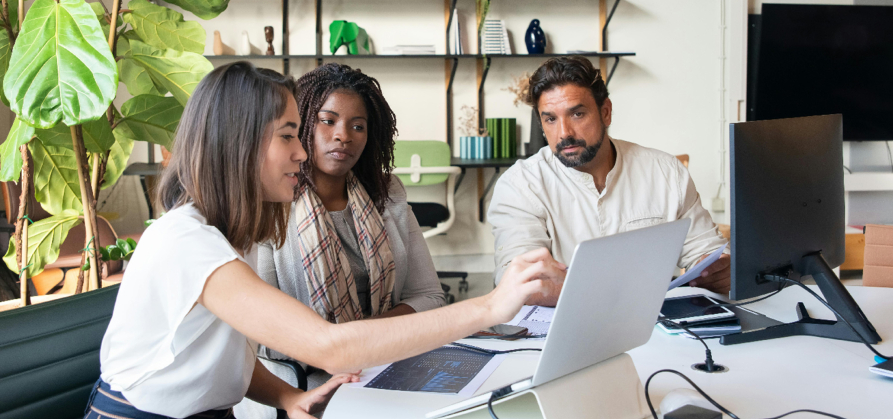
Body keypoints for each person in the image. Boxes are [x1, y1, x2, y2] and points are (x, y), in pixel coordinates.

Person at [88, 62, 553, 419]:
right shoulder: (186, 241)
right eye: (289, 135)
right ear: (239, 143)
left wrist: (287, 397)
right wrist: (491, 307)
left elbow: (220, 354)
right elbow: (329, 347)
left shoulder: (230, 232)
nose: (301, 152)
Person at [236, 64, 447, 417]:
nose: (343, 136)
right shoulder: (270, 203)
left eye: (358, 126)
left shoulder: (387, 193)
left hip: (387, 366)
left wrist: (361, 340)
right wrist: (351, 345)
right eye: (327, 121)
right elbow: (265, 334)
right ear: (301, 125)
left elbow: (429, 297)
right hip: (302, 387)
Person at [488, 56, 729, 307]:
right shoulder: (520, 185)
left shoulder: (666, 172)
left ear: (605, 112)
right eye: (550, 119)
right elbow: (520, 283)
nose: (564, 133)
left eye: (577, 114)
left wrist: (717, 270)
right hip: (559, 326)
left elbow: (708, 251)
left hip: (653, 324)